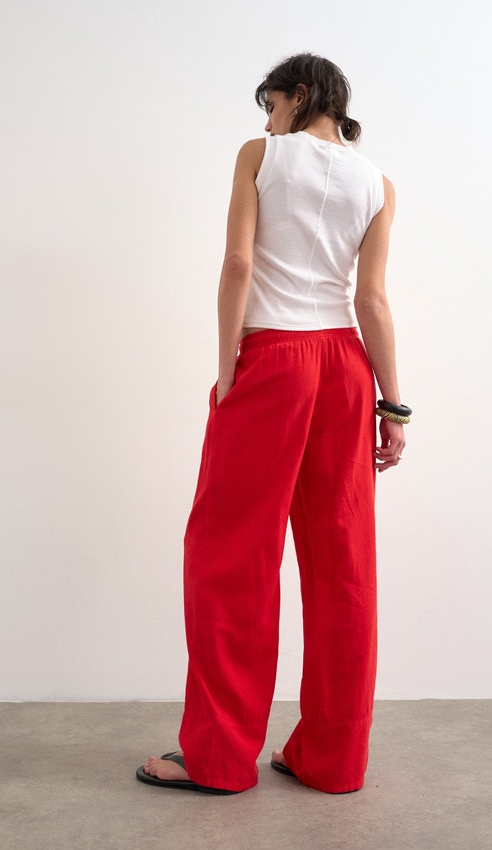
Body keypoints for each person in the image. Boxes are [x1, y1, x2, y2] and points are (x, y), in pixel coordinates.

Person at [137, 53, 407, 795]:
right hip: (346, 369)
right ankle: (332, 759)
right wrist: (392, 405)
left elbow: (237, 264)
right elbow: (372, 301)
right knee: (343, 564)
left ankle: (219, 758)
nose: (267, 119)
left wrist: (229, 368)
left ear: (299, 94)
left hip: (274, 361)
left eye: (271, 103)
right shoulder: (378, 183)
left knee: (230, 555)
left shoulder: (261, 155)